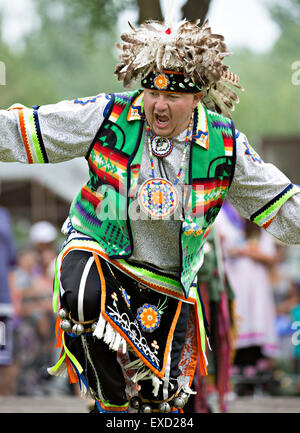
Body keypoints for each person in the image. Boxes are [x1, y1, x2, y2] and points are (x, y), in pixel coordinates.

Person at [0, 12, 299, 413]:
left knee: (160, 407)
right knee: (82, 291)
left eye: (173, 97)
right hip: (101, 249)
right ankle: (110, 401)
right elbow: (28, 128)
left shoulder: (225, 146)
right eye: (152, 93)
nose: (159, 105)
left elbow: (282, 204)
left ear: (196, 98)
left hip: (167, 284)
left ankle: (140, 404)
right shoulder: (109, 116)